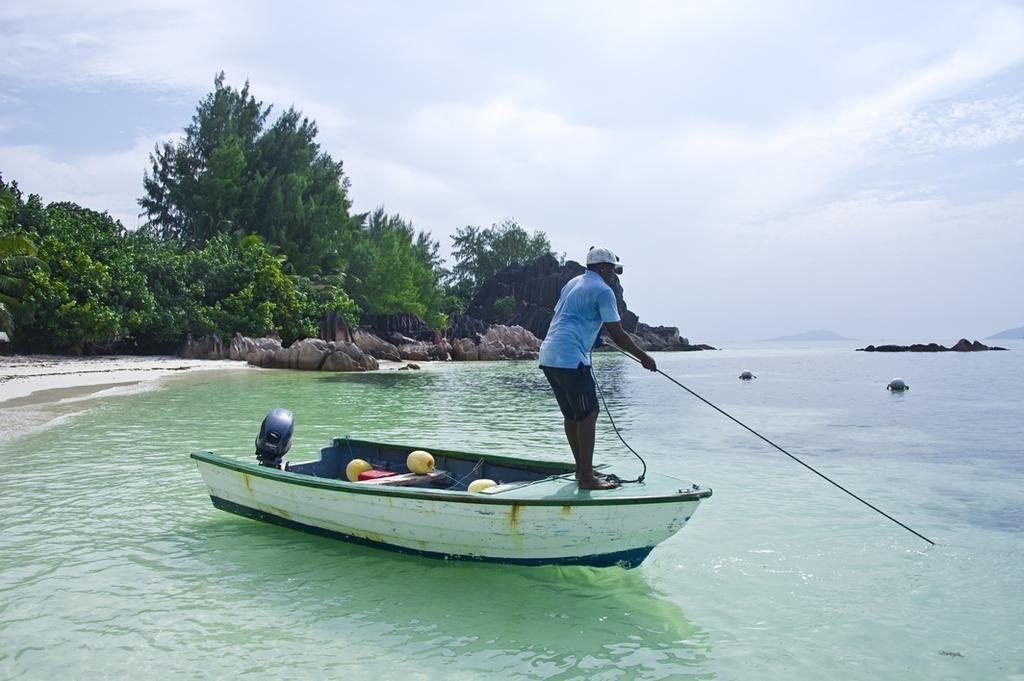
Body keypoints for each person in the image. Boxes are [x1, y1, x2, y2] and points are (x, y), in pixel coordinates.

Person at [538, 247, 657, 490]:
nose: (614, 274)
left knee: (572, 415)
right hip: (571, 359)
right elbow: (618, 332)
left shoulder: (573, 283)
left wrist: (593, 337)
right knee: (588, 414)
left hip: (549, 355)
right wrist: (643, 357)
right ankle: (586, 478)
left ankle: (582, 469)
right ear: (603, 268)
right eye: (613, 269)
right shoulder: (603, 290)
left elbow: (569, 316)